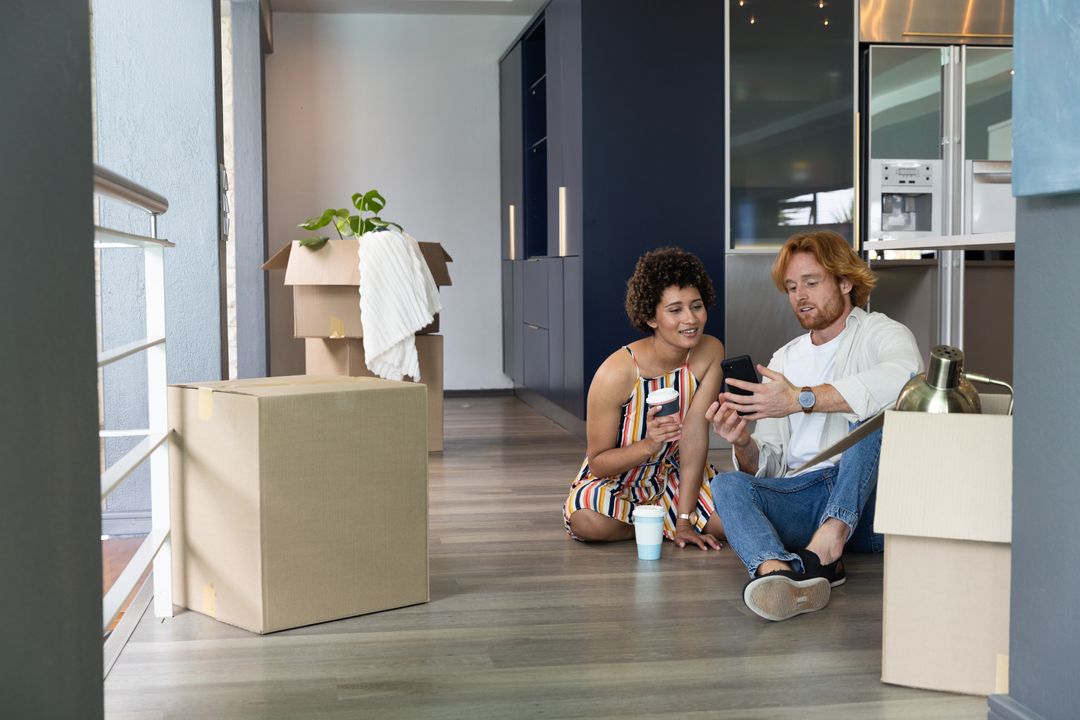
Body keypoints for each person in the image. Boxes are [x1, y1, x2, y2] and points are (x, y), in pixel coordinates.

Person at [706, 230, 922, 621]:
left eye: (811, 282)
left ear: (844, 281)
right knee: (726, 483)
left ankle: (827, 549)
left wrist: (801, 399)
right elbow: (769, 466)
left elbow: (905, 381)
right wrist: (742, 444)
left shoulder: (882, 333)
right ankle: (779, 574)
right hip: (804, 496)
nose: (799, 296)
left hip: (865, 502)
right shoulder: (785, 358)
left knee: (873, 415)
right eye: (791, 287)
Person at [564, 248, 726, 551]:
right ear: (651, 317)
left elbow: (694, 437)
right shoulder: (616, 373)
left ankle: (661, 522)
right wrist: (649, 445)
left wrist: (685, 520)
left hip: (676, 477)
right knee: (588, 522)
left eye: (697, 306)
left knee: (732, 521)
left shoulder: (710, 352)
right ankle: (657, 522)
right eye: (675, 310)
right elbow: (598, 464)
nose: (690, 319)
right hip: (616, 481)